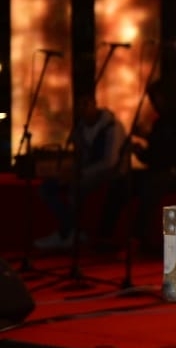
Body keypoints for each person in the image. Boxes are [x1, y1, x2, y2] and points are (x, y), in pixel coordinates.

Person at [100, 81, 176, 252]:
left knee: (152, 184)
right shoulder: (160, 122)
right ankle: (105, 234)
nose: (155, 103)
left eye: (157, 98)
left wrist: (152, 141)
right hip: (164, 169)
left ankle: (139, 237)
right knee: (125, 181)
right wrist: (141, 152)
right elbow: (154, 156)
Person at [34, 93, 127, 249]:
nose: (82, 109)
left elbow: (110, 162)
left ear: (94, 104)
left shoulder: (112, 127)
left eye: (85, 104)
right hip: (86, 171)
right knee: (46, 188)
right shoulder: (80, 127)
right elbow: (80, 156)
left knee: (75, 188)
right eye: (79, 106)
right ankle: (70, 230)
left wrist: (80, 173)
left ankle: (68, 232)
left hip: (111, 174)